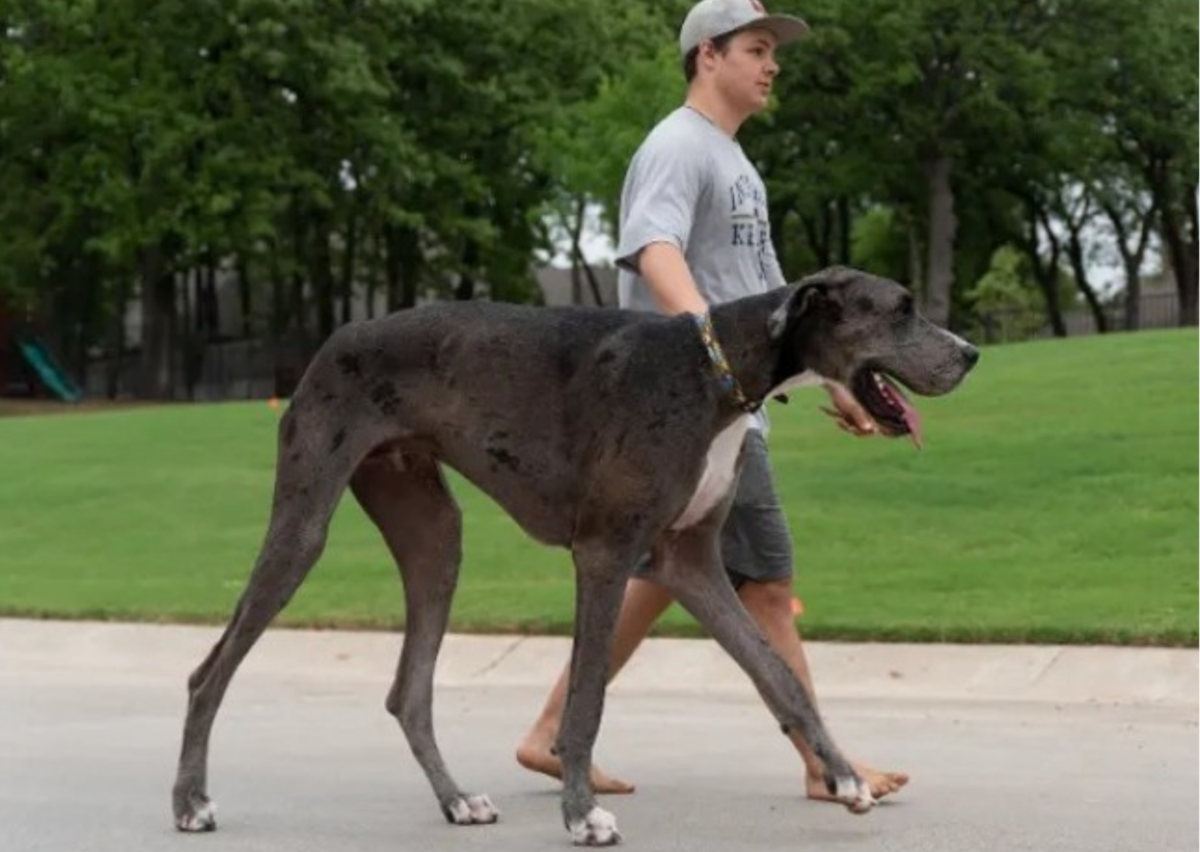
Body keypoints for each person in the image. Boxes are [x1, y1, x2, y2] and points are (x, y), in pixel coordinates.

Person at [516, 0, 909, 803]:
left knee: (666, 572)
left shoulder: (733, 161)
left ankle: (552, 731)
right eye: (757, 49)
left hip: (723, 404)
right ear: (707, 56)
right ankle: (823, 763)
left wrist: (830, 377)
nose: (773, 65)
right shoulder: (677, 146)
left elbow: (765, 303)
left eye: (774, 52)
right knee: (766, 582)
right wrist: (707, 348)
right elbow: (652, 246)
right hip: (693, 405)